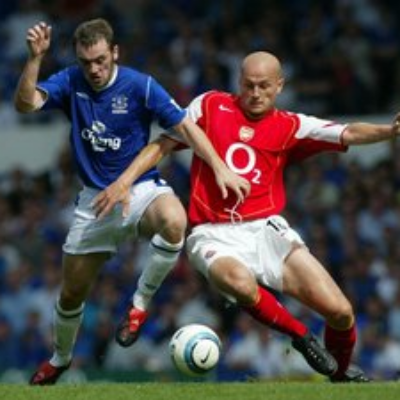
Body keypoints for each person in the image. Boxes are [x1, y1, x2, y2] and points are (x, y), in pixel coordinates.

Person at [95, 51, 400, 382]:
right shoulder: (210, 106)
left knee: (341, 313)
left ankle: (339, 379)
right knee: (240, 283)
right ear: (238, 82)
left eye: (264, 86)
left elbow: (348, 132)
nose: (255, 93)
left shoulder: (291, 125)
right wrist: (125, 181)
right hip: (211, 233)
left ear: (280, 86)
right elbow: (163, 144)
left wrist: (389, 130)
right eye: (248, 85)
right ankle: (302, 337)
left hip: (266, 231)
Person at [13, 19, 249, 385]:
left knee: (175, 219)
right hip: (95, 201)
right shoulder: (71, 81)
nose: (94, 69)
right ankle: (60, 359)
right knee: (72, 294)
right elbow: (26, 104)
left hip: (140, 189)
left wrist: (219, 167)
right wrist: (34, 59)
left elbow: (185, 127)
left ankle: (138, 307)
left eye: (100, 60)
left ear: (115, 52)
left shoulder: (141, 85)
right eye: (86, 62)